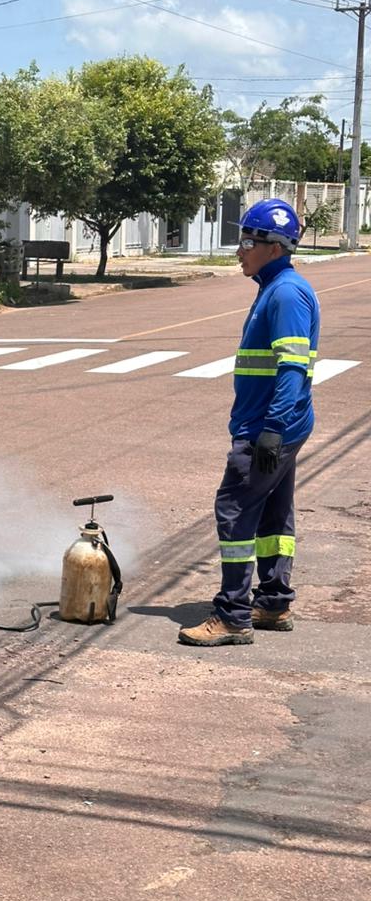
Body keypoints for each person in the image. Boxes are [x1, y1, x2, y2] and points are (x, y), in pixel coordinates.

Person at [178, 198, 320, 647]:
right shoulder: (272, 287)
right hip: (277, 427)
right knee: (274, 516)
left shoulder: (285, 294)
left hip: (267, 430)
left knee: (235, 512)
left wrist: (271, 432)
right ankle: (273, 604)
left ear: (274, 247)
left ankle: (233, 615)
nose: (239, 250)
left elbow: (292, 369)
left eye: (246, 242)